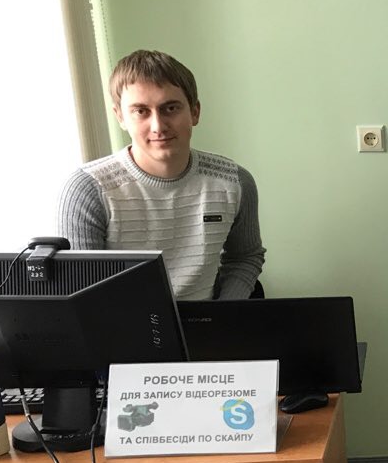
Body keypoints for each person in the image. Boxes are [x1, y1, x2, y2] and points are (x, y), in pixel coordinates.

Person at [57, 50, 265, 300]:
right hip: (123, 324)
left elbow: (245, 257)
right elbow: (82, 291)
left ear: (195, 112)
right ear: (120, 116)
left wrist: (225, 312)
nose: (158, 126)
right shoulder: (88, 190)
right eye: (141, 111)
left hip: (209, 321)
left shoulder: (235, 182)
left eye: (170, 108)